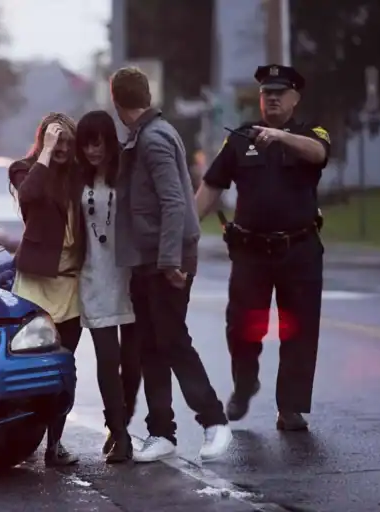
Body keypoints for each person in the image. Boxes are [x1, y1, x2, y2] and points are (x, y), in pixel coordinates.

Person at [195, 64, 329, 431]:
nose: (271, 97)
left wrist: (280, 137)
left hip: (299, 249)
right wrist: (186, 231)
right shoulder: (239, 138)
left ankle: (290, 407)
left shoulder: (309, 134)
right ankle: (244, 381)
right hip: (251, 252)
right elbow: (211, 186)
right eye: (266, 92)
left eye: (280, 92)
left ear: (295, 98)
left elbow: (318, 153)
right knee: (242, 326)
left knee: (298, 329)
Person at [110, 66, 232, 462]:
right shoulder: (147, 134)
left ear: (116, 102)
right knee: (152, 348)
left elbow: (175, 202)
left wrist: (168, 261)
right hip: (148, 261)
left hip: (166, 261)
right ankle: (161, 432)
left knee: (174, 343)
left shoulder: (154, 139)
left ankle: (214, 421)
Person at [8, 112, 86, 466]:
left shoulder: (78, 175)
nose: (63, 149)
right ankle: (18, 439)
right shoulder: (24, 169)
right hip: (36, 285)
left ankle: (55, 444)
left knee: (62, 370)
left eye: (68, 143)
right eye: (57, 142)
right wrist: (46, 151)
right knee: (28, 369)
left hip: (70, 285)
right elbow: (29, 195)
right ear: (43, 141)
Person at [75, 110, 140, 463]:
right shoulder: (76, 179)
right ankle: (120, 433)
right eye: (86, 144)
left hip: (128, 276)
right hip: (93, 278)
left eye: (98, 143)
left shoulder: (126, 175)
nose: (92, 151)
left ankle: (121, 421)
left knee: (132, 363)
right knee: (107, 359)